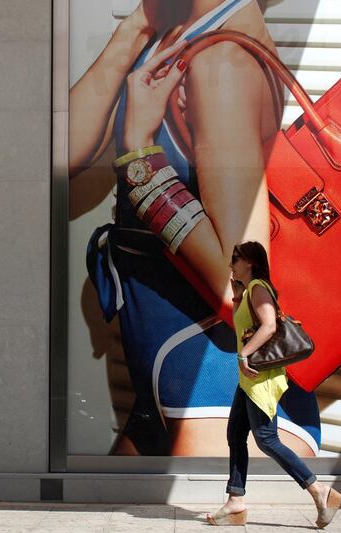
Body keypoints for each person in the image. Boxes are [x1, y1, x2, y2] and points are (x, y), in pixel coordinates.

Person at [71, 0, 321, 456]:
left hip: (214, 381)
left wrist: (139, 149)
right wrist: (136, 28)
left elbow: (239, 290)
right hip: (165, 370)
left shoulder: (220, 64)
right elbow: (59, 153)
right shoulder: (171, 34)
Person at [205, 242, 341, 527]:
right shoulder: (248, 291)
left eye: (236, 259)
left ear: (251, 262)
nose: (231, 263)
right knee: (235, 435)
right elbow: (249, 326)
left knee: (267, 439)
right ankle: (235, 501)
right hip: (249, 379)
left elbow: (268, 325)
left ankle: (319, 491)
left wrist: (243, 354)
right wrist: (236, 297)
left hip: (260, 378)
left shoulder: (258, 287)